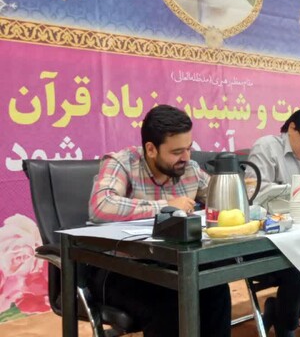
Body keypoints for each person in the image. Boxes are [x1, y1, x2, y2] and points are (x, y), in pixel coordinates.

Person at [88, 104, 231, 337]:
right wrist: (165, 206)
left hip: (172, 264)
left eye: (189, 149)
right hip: (120, 268)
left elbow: (222, 199)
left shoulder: (190, 169)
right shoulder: (122, 163)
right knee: (168, 302)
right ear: (151, 149)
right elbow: (101, 206)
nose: (186, 158)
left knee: (215, 287)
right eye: (177, 152)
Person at [247, 107, 300, 337]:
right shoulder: (266, 147)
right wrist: (299, 189)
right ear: (292, 128)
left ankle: (280, 316)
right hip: (271, 238)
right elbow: (253, 192)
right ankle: (286, 322)